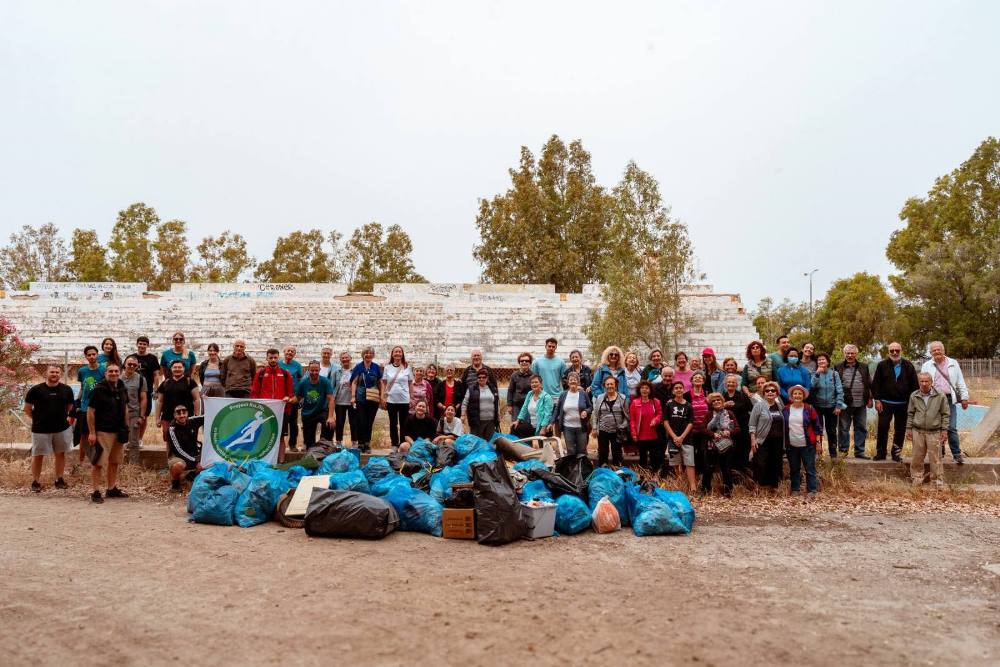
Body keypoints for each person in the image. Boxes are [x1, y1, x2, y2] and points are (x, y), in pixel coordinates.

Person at [24, 365, 75, 492]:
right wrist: (37, 419)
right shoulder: (35, 390)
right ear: (46, 373)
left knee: (60, 454)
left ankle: (59, 479)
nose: (55, 374)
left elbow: (70, 407)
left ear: (60, 374)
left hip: (61, 428)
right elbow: (27, 409)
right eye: (52, 372)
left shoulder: (67, 389)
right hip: (40, 429)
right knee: (38, 455)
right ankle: (36, 481)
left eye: (57, 372)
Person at [920, 341, 970, 464]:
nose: (937, 352)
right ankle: (939, 453)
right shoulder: (927, 365)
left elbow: (960, 382)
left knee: (951, 427)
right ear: (930, 352)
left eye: (939, 349)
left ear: (943, 350)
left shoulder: (953, 363)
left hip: (949, 399)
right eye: (934, 350)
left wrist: (964, 397)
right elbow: (922, 382)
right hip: (933, 400)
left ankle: (956, 454)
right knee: (936, 427)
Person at [86, 363, 129, 503]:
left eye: (116, 371)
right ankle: (95, 491)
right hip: (103, 431)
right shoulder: (98, 390)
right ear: (105, 373)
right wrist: (92, 432)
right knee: (98, 462)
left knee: (115, 461)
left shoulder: (122, 387)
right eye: (111, 371)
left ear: (120, 372)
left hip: (119, 430)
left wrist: (126, 427)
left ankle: (111, 488)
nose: (114, 373)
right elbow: (90, 411)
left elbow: (126, 408)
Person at [871, 342, 918, 462]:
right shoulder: (882, 365)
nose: (894, 353)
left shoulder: (908, 365)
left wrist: (912, 403)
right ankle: (881, 453)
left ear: (901, 351)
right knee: (882, 427)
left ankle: (896, 454)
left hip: (903, 404)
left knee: (900, 429)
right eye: (892, 350)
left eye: (897, 350)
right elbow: (876, 384)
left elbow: (914, 386)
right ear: (888, 352)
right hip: (885, 403)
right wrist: (877, 400)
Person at [906, 372, 951, 487]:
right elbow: (910, 413)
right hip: (918, 431)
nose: (924, 384)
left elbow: (945, 414)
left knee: (936, 459)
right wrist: (909, 429)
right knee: (917, 457)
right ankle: (917, 479)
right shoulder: (914, 395)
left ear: (931, 382)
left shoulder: (940, 396)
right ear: (919, 382)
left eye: (927, 381)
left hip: (934, 432)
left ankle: (937, 482)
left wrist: (944, 430)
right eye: (922, 381)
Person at [251, 349, 294, 461]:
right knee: (264, 436)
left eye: (275, 357)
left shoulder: (286, 373)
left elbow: (290, 393)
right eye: (271, 357)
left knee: (280, 437)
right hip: (265, 411)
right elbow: (254, 393)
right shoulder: (260, 373)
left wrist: (287, 399)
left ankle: (281, 461)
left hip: (282, 411)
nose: (273, 360)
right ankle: (264, 460)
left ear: (278, 358)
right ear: (267, 358)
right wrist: (257, 409)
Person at [782, 385, 823, 497]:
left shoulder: (809, 408)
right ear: (791, 396)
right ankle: (795, 489)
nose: (797, 396)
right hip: (792, 445)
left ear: (803, 396)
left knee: (810, 468)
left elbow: (817, 427)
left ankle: (812, 490)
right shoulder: (786, 409)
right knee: (794, 468)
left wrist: (818, 443)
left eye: (800, 394)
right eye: (795, 393)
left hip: (808, 444)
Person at [835, 344, 873, 459]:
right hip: (844, 404)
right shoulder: (838, 367)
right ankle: (843, 451)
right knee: (843, 428)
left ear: (856, 354)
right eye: (848, 353)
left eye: (852, 353)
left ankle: (859, 451)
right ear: (844, 354)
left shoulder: (863, 366)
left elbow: (869, 383)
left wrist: (870, 399)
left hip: (861, 403)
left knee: (861, 427)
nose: (850, 355)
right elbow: (835, 385)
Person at [154, 360, 201, 445]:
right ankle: (170, 458)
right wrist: (157, 418)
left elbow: (196, 399)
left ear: (184, 369)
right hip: (167, 417)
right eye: (175, 367)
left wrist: (197, 416)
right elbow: (160, 401)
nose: (177, 369)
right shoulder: (165, 383)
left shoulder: (190, 382)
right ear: (171, 369)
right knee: (169, 440)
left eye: (180, 367)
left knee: (186, 440)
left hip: (185, 417)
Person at [702, 392, 740, 496]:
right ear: (711, 403)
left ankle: (728, 492)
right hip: (712, 445)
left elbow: (737, 428)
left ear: (722, 401)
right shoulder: (709, 414)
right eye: (713, 401)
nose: (716, 402)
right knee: (708, 469)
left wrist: (729, 432)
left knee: (726, 469)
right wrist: (713, 434)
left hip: (726, 445)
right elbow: (703, 428)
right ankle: (705, 491)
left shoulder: (729, 413)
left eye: (718, 400)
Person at [748, 381, 784, 489]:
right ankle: (759, 486)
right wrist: (753, 439)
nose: (770, 392)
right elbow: (752, 424)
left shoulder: (779, 405)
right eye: (767, 391)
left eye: (773, 390)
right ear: (763, 393)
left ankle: (773, 487)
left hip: (778, 440)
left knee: (776, 463)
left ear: (777, 393)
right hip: (763, 439)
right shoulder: (758, 406)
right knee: (761, 463)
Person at [811, 352, 844, 459]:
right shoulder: (814, 373)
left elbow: (839, 390)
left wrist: (838, 405)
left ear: (828, 361)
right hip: (817, 406)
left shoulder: (834, 374)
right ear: (817, 362)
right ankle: (818, 453)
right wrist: (817, 374)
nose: (821, 361)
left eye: (823, 359)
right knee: (818, 430)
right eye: (819, 360)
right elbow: (811, 386)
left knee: (831, 431)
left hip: (831, 407)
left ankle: (833, 453)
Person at [295, 360, 335, 450]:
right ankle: (310, 448)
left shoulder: (325, 381)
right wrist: (287, 400)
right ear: (308, 370)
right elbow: (297, 398)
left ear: (319, 370)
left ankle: (325, 446)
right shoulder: (303, 383)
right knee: (309, 443)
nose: (314, 373)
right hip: (308, 413)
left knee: (330, 424)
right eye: (312, 370)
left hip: (322, 410)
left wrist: (331, 417)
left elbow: (331, 399)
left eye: (316, 370)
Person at [663, 381, 695, 489]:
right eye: (676, 388)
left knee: (689, 463)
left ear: (683, 389)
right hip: (673, 439)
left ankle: (693, 487)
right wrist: (674, 437)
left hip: (687, 438)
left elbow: (691, 423)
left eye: (680, 388)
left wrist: (682, 437)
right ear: (673, 391)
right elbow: (666, 421)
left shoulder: (688, 405)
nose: (678, 390)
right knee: (676, 463)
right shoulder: (669, 404)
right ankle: (681, 485)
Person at [349, 346, 382, 451]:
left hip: (373, 398)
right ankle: (361, 443)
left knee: (369, 421)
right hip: (361, 397)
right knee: (361, 421)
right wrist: (353, 396)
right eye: (366, 353)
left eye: (370, 353)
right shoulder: (358, 367)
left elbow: (380, 382)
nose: (368, 355)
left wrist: (381, 396)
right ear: (363, 355)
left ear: (373, 355)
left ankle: (367, 443)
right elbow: (354, 382)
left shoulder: (376, 367)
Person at [553, 371, 592, 458]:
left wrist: (586, 411)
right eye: (571, 380)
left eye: (575, 380)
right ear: (568, 382)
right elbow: (557, 409)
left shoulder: (583, 394)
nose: (573, 381)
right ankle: (572, 469)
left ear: (578, 382)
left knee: (582, 451)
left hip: (581, 427)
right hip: (568, 428)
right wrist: (552, 421)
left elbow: (590, 407)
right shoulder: (563, 394)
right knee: (571, 451)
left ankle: (581, 469)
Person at [166, 404, 204, 492]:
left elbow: (207, 416)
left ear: (187, 413)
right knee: (178, 465)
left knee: (209, 463)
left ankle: (190, 476)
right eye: (179, 413)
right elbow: (178, 450)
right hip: (177, 456)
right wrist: (195, 462)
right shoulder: (172, 429)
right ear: (175, 415)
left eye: (184, 413)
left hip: (194, 454)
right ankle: (175, 484)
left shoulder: (193, 421)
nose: (182, 415)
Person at [381, 346, 412, 450]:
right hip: (391, 400)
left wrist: (411, 398)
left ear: (402, 354)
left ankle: (403, 444)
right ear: (392, 354)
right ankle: (394, 444)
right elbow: (384, 383)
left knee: (404, 423)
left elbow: (410, 383)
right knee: (393, 423)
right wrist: (383, 397)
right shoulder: (387, 367)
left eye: (399, 351)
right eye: (396, 352)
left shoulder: (407, 367)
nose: (398, 353)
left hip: (404, 400)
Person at [720, 374, 752, 474]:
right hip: (728, 431)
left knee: (742, 452)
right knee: (730, 453)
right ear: (725, 384)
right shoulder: (721, 397)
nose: (731, 384)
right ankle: (732, 474)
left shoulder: (743, 396)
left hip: (742, 430)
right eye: (728, 382)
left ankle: (743, 474)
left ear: (736, 384)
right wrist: (724, 405)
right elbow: (715, 412)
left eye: (733, 382)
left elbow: (751, 409)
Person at [594, 376, 628, 466]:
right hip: (603, 430)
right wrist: (594, 427)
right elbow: (596, 414)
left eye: (611, 384)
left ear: (616, 385)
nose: (610, 386)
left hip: (617, 431)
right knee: (602, 453)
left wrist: (623, 426)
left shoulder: (622, 398)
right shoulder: (600, 398)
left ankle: (617, 472)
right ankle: (603, 472)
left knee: (617, 453)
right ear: (604, 386)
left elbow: (627, 416)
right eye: (607, 384)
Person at [120, 355, 148, 464]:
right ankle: (118, 463)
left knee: (134, 441)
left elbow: (143, 398)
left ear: (137, 366)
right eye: (129, 364)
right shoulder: (117, 377)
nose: (131, 366)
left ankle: (133, 465)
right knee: (118, 440)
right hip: (118, 414)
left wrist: (142, 416)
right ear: (125, 364)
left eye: (134, 365)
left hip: (134, 413)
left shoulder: (141, 379)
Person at [74, 346, 103, 448]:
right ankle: (81, 461)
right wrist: (77, 401)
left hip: (100, 407)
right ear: (86, 356)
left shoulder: (103, 369)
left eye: (93, 354)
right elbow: (82, 387)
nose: (91, 356)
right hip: (85, 406)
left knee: (98, 435)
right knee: (84, 435)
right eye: (89, 355)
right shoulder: (82, 371)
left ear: (97, 355)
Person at [629, 380, 662, 470]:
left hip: (654, 435)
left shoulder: (656, 402)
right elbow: (632, 420)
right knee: (642, 458)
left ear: (650, 390)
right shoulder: (635, 403)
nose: (644, 390)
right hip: (641, 436)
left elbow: (659, 414)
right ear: (639, 390)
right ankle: (643, 477)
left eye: (647, 388)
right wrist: (634, 433)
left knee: (654, 457)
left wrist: (656, 420)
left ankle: (655, 475)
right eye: (642, 388)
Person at [133, 336, 159, 438]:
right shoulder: (131, 357)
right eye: (140, 343)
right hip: (132, 391)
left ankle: (139, 438)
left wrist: (156, 389)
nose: (142, 346)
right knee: (130, 415)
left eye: (144, 344)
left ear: (147, 345)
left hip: (147, 391)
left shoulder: (152, 358)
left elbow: (156, 375)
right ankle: (131, 439)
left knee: (144, 416)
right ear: (137, 344)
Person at [462, 369, 499, 440]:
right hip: (476, 421)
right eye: (479, 377)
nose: (481, 379)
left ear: (487, 378)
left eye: (483, 377)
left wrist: (498, 414)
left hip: (490, 421)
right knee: (476, 442)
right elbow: (465, 403)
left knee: (489, 442)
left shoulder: (492, 388)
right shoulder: (471, 389)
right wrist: (463, 415)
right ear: (477, 378)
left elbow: (496, 402)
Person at [279, 346, 304, 451]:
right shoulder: (278, 364)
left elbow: (300, 380)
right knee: (281, 421)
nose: (290, 352)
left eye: (292, 351)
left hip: (293, 397)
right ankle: (280, 445)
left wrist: (298, 396)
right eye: (288, 351)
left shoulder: (297, 365)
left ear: (294, 354)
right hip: (280, 397)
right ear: (284, 352)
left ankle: (292, 444)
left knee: (293, 422)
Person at [329, 351, 357, 445]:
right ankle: (338, 441)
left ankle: (354, 442)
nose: (345, 359)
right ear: (340, 360)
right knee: (340, 423)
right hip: (340, 401)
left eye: (347, 357)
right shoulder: (336, 372)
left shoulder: (355, 371)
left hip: (352, 402)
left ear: (350, 359)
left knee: (354, 423)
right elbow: (332, 387)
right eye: (343, 358)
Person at [507, 353, 534, 421]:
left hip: (529, 406)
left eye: (526, 361)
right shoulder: (514, 375)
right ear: (519, 363)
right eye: (522, 361)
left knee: (527, 427)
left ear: (530, 363)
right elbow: (510, 391)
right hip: (516, 406)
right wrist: (509, 405)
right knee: (515, 427)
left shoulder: (533, 376)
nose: (524, 362)